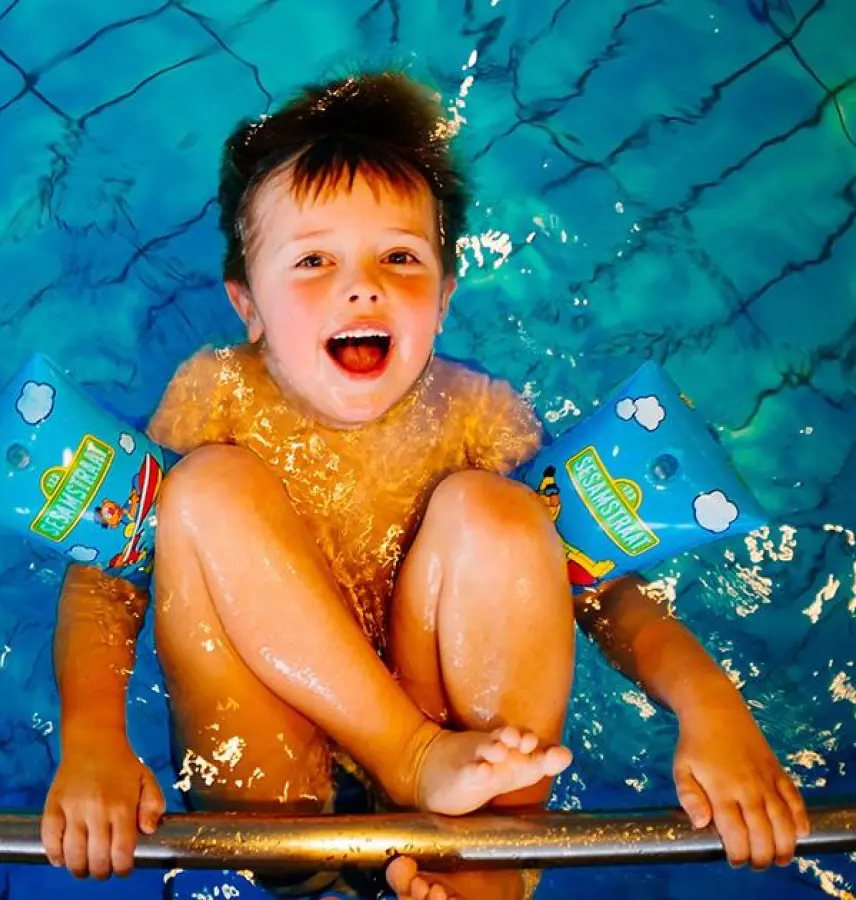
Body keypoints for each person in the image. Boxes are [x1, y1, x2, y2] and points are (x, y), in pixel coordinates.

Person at [40, 72, 809, 899]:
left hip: (462, 772)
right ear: (247, 304)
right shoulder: (215, 393)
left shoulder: (479, 413)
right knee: (203, 490)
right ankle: (367, 817)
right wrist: (93, 740)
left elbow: (600, 587)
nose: (360, 285)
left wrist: (711, 708)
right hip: (277, 782)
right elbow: (107, 576)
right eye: (312, 260)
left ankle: (478, 881)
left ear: (442, 298)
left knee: (506, 515)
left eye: (399, 257)